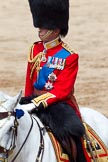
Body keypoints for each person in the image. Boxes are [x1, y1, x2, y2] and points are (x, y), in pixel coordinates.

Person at [20, 0, 87, 161]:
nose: (39, 29)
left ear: (55, 29)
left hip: (58, 104)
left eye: (43, 27)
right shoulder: (35, 49)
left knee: (72, 132)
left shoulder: (69, 56)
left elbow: (62, 91)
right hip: (32, 100)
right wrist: (27, 101)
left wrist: (37, 103)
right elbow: (30, 81)